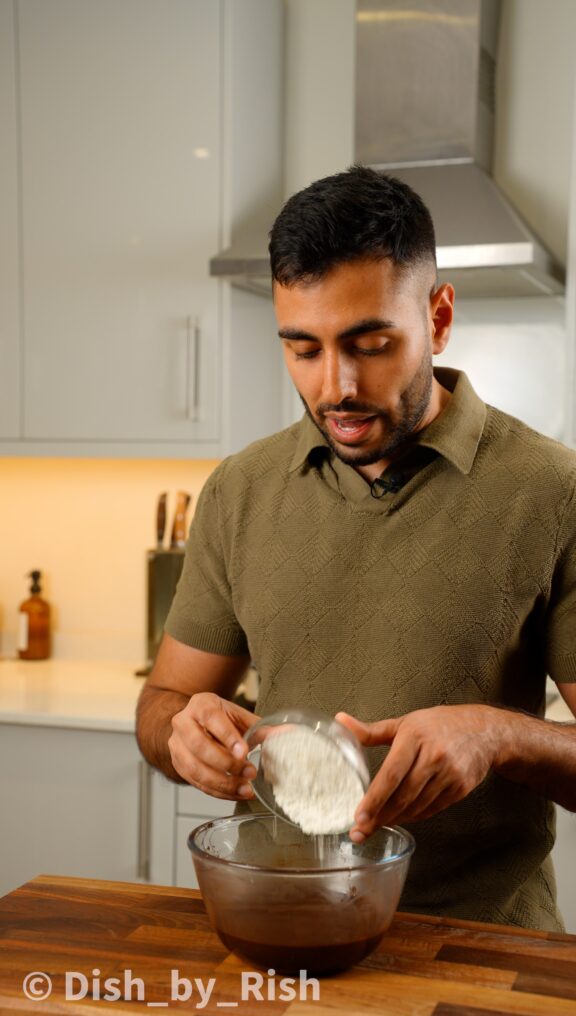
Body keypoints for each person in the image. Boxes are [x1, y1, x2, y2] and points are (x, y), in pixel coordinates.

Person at [137, 165, 576, 930]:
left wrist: (497, 734)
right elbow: (160, 704)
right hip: (289, 921)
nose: (335, 386)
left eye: (370, 344)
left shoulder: (552, 492)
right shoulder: (241, 490)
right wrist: (183, 736)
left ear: (438, 318)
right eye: (302, 349)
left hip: (481, 952)